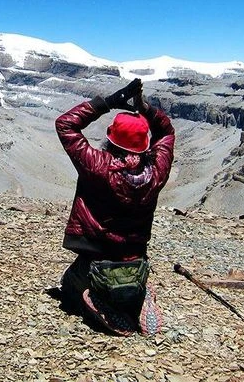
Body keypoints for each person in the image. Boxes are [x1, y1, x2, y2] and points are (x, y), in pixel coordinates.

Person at [55, 78, 175, 336]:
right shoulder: (156, 173)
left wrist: (107, 102)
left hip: (98, 255)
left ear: (111, 140)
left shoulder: (98, 166)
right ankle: (138, 297)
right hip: (135, 257)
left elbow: (65, 124)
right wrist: (145, 108)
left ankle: (99, 304)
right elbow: (166, 133)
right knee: (127, 277)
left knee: (69, 285)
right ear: (144, 145)